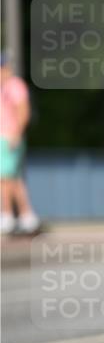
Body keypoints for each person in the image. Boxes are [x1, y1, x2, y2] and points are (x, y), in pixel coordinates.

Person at [0, 54, 41, 235]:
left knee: (4, 179)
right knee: (14, 180)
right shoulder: (3, 87)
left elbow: (24, 110)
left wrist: (17, 134)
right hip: (4, 136)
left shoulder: (14, 86)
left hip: (9, 137)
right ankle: (28, 217)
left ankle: (7, 216)